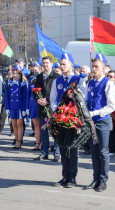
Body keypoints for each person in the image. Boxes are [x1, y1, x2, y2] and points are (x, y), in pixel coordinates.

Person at [51, 53, 87, 188]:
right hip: (60, 119)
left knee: (72, 149)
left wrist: (75, 109)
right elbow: (53, 98)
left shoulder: (78, 80)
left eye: (64, 64)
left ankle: (72, 177)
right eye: (61, 64)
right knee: (62, 148)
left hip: (73, 120)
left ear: (71, 64)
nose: (62, 66)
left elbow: (84, 99)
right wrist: (57, 110)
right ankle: (64, 176)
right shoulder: (57, 81)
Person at [83, 58, 115, 192]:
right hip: (91, 122)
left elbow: (112, 105)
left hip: (102, 121)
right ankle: (96, 178)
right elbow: (87, 100)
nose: (94, 69)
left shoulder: (108, 83)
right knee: (94, 152)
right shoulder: (90, 83)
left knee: (103, 152)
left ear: (103, 68)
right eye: (93, 66)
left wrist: (95, 113)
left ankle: (103, 180)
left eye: (96, 67)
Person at [33, 56, 60, 161]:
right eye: (43, 63)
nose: (45, 65)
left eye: (47, 63)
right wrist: (37, 99)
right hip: (41, 108)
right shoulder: (39, 77)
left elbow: (58, 93)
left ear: (51, 64)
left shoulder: (56, 77)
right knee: (43, 132)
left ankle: (56, 153)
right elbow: (35, 91)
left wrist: (48, 100)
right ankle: (44, 153)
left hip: (52, 108)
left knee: (55, 131)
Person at [5, 65, 28, 149]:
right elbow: (7, 97)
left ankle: (19, 141)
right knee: (14, 124)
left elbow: (25, 97)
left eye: (16, 73)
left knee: (19, 124)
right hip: (12, 106)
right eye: (13, 73)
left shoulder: (23, 84)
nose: (14, 75)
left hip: (20, 107)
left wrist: (25, 108)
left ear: (20, 74)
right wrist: (7, 108)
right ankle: (16, 138)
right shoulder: (9, 83)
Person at [27, 62, 42, 151]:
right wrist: (27, 107)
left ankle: (42, 143)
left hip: (40, 104)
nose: (34, 71)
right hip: (33, 104)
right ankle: (37, 143)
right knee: (36, 125)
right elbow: (29, 92)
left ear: (40, 69)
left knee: (42, 125)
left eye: (36, 70)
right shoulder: (31, 78)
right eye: (33, 70)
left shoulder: (42, 78)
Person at [0, 70, 13, 136]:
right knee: (2, 116)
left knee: (12, 118)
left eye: (11, 74)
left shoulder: (15, 82)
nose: (10, 75)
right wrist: (5, 95)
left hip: (12, 103)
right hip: (5, 102)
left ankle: (13, 131)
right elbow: (2, 91)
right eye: (9, 74)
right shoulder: (5, 82)